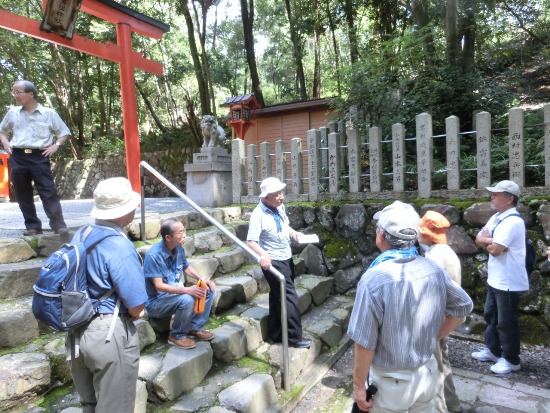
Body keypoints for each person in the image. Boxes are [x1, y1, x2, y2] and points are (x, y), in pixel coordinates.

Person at [348, 202, 473, 412]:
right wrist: (434, 336)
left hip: (390, 383)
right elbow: (462, 306)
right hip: (427, 374)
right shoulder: (432, 268)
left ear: (381, 236)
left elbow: (364, 342)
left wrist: (359, 387)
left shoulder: (374, 279)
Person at [67, 177, 147, 413]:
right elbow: (136, 307)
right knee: (116, 407)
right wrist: (139, 311)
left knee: (90, 404)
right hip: (108, 333)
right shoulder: (119, 246)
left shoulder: (81, 233)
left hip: (77, 332)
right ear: (123, 212)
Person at [246, 177, 312, 348]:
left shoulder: (279, 207)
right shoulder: (258, 215)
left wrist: (294, 234)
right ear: (265, 197)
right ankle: (293, 337)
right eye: (276, 194)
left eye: (281, 192)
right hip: (273, 261)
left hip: (286, 255)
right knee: (289, 297)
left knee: (277, 295)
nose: (281, 196)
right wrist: (264, 254)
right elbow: (251, 242)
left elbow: (285, 226)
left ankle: (275, 334)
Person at [0, 80, 70, 236]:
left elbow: (64, 132)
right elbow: (2, 130)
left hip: (39, 156)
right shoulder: (13, 112)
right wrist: (5, 143)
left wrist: (56, 145)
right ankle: (32, 226)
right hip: (17, 156)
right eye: (14, 92)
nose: (15, 95)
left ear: (31, 94)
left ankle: (59, 225)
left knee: (48, 191)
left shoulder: (48, 113)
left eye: (18, 92)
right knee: (22, 193)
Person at [473, 180, 529, 374]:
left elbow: (496, 250)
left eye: (496, 194)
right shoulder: (498, 217)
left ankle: (512, 359)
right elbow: (479, 239)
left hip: (508, 281)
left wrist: (489, 241)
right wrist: (490, 240)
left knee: (506, 321)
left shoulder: (513, 221)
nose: (492, 196)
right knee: (491, 315)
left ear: (509, 198)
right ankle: (494, 350)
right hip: (496, 277)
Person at [144, 217, 216, 349]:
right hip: (156, 302)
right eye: (180, 232)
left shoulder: (178, 248)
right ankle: (177, 335)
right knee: (187, 299)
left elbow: (186, 267)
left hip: (176, 295)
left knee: (209, 289)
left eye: (184, 231)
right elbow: (159, 286)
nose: (184, 235)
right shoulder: (154, 256)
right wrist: (187, 290)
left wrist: (203, 280)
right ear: (168, 237)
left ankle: (194, 327)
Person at [418, 210, 463, 413]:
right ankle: (453, 404)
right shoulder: (445, 252)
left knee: (433, 367)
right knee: (443, 363)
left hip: (436, 318)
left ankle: (441, 408)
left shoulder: (434, 257)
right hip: (447, 317)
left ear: (427, 234)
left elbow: (430, 294)